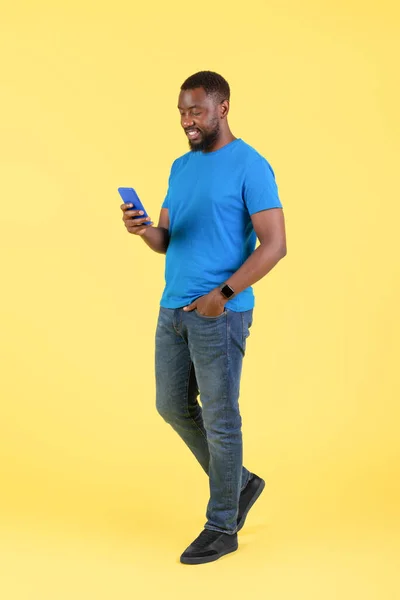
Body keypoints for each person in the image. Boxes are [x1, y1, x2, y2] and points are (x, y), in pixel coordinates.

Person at [120, 71, 287, 565]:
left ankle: (222, 526)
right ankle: (240, 482)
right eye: (181, 112)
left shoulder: (251, 165)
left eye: (195, 111)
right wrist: (143, 228)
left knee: (219, 417)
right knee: (171, 405)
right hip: (172, 308)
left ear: (223, 108)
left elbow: (275, 245)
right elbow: (166, 240)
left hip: (220, 313)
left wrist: (225, 292)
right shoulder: (180, 166)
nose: (187, 121)